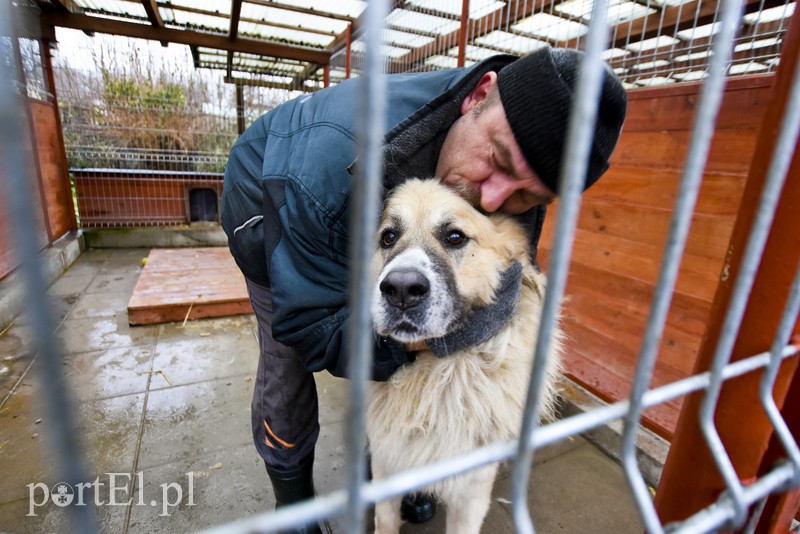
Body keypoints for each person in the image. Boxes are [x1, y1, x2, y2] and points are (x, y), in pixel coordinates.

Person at [221, 46, 627, 533]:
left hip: (366, 210)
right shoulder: (326, 166)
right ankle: (292, 501)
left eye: (526, 195)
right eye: (495, 159)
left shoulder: (521, 151)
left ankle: (399, 471)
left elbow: (508, 264)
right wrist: (433, 336)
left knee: (397, 329)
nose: (494, 198)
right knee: (287, 359)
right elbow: (308, 324)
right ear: (479, 96)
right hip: (272, 201)